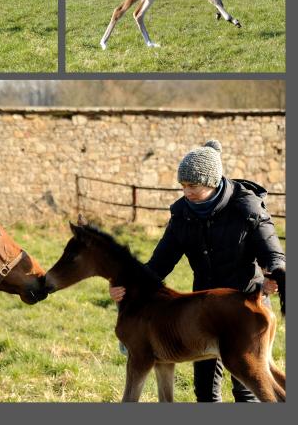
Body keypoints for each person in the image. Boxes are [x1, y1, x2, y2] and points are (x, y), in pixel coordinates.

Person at [109, 140, 285, 402]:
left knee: (247, 384)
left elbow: (272, 253)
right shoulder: (182, 215)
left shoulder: (247, 207)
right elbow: (160, 263)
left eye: (193, 185)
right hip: (201, 308)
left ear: (212, 182)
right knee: (204, 388)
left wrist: (276, 274)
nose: (187, 192)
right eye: (183, 185)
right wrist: (129, 286)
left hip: (244, 304)